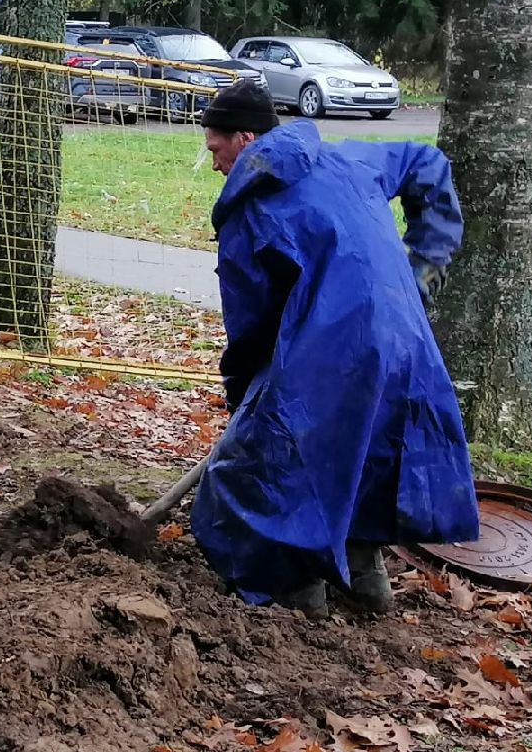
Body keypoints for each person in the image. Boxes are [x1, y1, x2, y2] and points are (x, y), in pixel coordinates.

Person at [190, 80, 479, 618]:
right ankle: (365, 576)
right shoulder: (349, 161)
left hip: (333, 353)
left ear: (245, 138)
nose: (214, 165)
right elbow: (428, 164)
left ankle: (293, 588)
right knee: (373, 447)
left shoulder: (247, 215)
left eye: (215, 150)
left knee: (260, 468)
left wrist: (243, 398)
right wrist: (424, 270)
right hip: (406, 341)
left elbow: (248, 328)